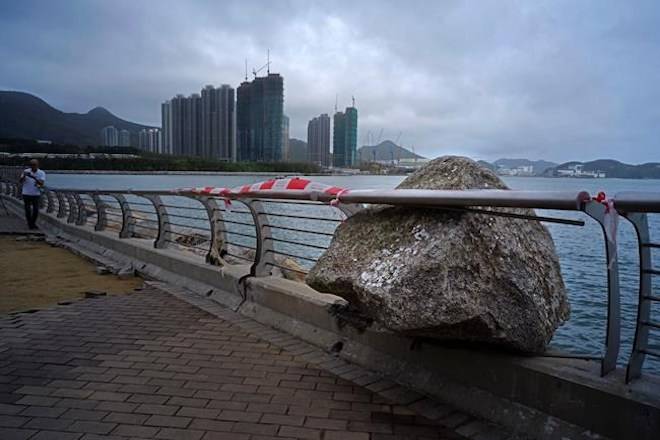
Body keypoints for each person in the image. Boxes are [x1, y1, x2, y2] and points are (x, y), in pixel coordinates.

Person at [19, 159, 46, 229]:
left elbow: (41, 183)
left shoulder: (41, 173)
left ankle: (32, 223)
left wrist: (33, 177)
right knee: (27, 210)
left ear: (37, 165)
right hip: (26, 193)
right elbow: (20, 181)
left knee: (36, 210)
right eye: (31, 165)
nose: (32, 166)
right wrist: (24, 176)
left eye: (34, 165)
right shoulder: (26, 171)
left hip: (36, 193)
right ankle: (30, 224)